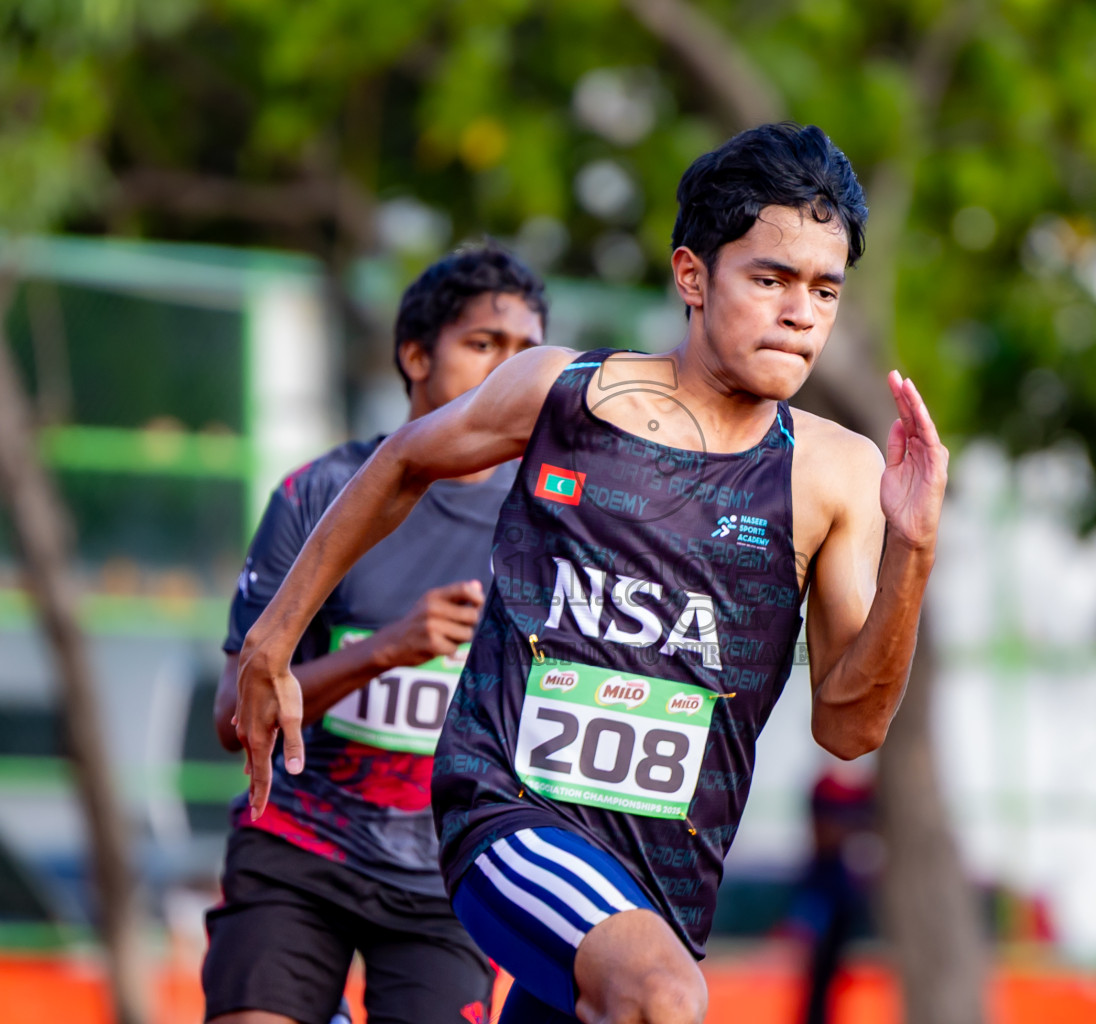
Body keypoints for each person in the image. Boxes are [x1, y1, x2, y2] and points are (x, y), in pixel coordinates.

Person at [236, 123, 949, 1024]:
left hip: (663, 883)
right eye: (769, 279)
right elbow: (403, 462)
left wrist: (914, 549)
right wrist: (274, 634)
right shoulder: (562, 394)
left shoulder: (834, 472)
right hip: (507, 814)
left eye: (823, 289)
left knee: (648, 983)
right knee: (660, 997)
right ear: (693, 276)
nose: (799, 312)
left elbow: (850, 726)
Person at [202, 242, 547, 1024]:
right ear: (415, 355)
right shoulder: (318, 494)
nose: (508, 372)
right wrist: (387, 650)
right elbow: (232, 719)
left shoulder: (549, 522)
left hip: (449, 880)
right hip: (296, 854)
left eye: (527, 353)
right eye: (484, 344)